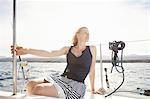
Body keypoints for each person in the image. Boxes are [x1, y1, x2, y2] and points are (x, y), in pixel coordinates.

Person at [11, 27, 106, 99]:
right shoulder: (68, 49)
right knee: (30, 84)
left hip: (76, 86)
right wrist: (26, 50)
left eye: (87, 33)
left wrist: (93, 89)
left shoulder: (92, 49)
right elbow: (49, 53)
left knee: (38, 89)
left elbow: (92, 70)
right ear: (77, 34)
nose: (86, 34)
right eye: (83, 32)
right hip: (61, 79)